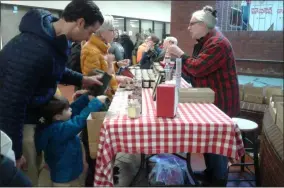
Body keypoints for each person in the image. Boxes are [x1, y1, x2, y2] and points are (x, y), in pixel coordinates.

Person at [0, 0, 104, 185]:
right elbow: (12, 104)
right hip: (22, 122)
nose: (88, 38)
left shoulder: (53, 39)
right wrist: (15, 152)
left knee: (39, 168)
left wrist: (81, 79)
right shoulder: (31, 48)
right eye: (90, 32)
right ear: (80, 22)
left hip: (37, 114)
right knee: (27, 174)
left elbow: (52, 69)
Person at [167, 6, 240, 186]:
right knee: (210, 142)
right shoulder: (205, 42)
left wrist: (179, 54)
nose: (189, 28)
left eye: (192, 24)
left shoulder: (218, 43)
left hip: (221, 102)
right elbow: (192, 70)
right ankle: (209, 175)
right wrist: (177, 61)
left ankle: (218, 180)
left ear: (202, 24)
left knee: (216, 144)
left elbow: (197, 68)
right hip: (211, 100)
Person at [35, 94, 107, 186]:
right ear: (57, 116)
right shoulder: (61, 130)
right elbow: (79, 120)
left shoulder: (51, 127)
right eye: (67, 108)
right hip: (65, 178)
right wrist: (96, 103)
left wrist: (85, 99)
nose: (71, 109)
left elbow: (73, 110)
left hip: (65, 174)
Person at [81, 15, 131, 98]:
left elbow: (103, 70)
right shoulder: (91, 50)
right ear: (102, 32)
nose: (115, 34)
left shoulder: (102, 47)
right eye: (112, 30)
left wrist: (117, 65)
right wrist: (118, 78)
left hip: (107, 94)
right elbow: (96, 83)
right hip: (100, 99)